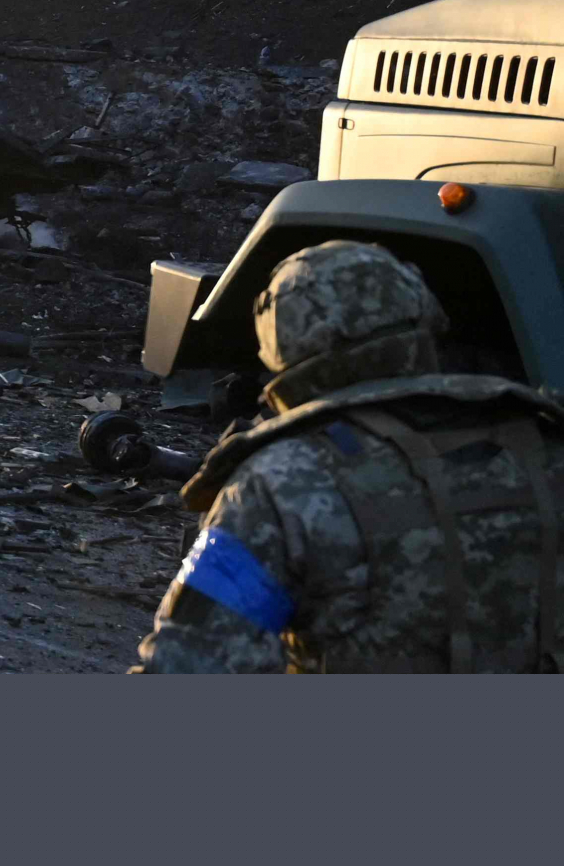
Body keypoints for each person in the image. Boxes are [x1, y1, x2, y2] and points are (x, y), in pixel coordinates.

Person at [134, 240, 564, 673]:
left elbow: (188, 667)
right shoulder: (543, 441)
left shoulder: (279, 482)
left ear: (283, 346)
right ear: (423, 318)